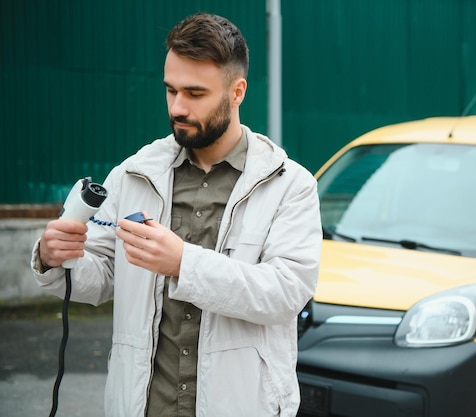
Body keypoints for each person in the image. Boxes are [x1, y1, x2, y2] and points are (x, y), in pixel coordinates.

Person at [31, 12, 322, 417]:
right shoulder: (134, 174)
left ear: (237, 92)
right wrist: (55, 257)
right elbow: (100, 279)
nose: (178, 107)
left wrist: (184, 263)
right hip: (144, 405)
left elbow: (286, 293)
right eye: (170, 91)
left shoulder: (290, 184)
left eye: (195, 93)